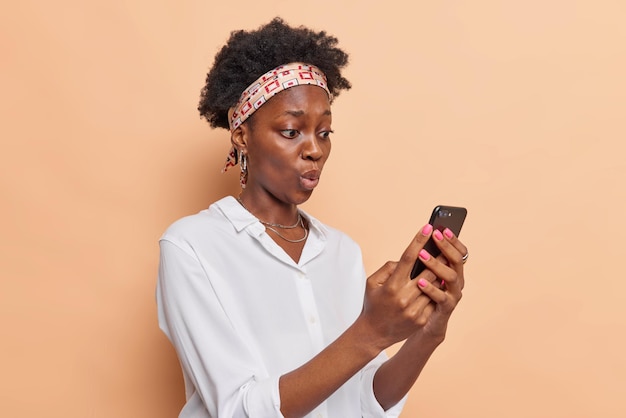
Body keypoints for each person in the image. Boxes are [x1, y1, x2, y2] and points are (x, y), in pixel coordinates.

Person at [156, 17, 468, 418]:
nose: (314, 150)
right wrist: (371, 331)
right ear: (241, 135)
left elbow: (363, 402)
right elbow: (236, 410)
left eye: (324, 132)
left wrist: (428, 334)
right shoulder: (192, 247)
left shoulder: (341, 251)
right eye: (291, 131)